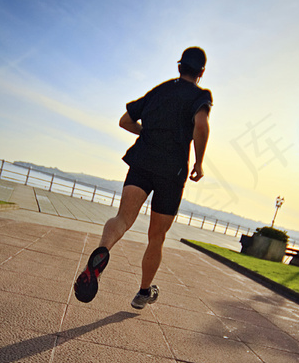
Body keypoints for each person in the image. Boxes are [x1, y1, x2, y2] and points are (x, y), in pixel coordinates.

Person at [74, 46, 212, 309]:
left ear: (179, 66)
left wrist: (147, 134)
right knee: (156, 236)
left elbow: (125, 121)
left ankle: (102, 251)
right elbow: (201, 124)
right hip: (172, 171)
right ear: (201, 72)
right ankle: (142, 293)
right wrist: (199, 163)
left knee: (123, 218)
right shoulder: (200, 95)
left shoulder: (159, 91)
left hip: (142, 160)